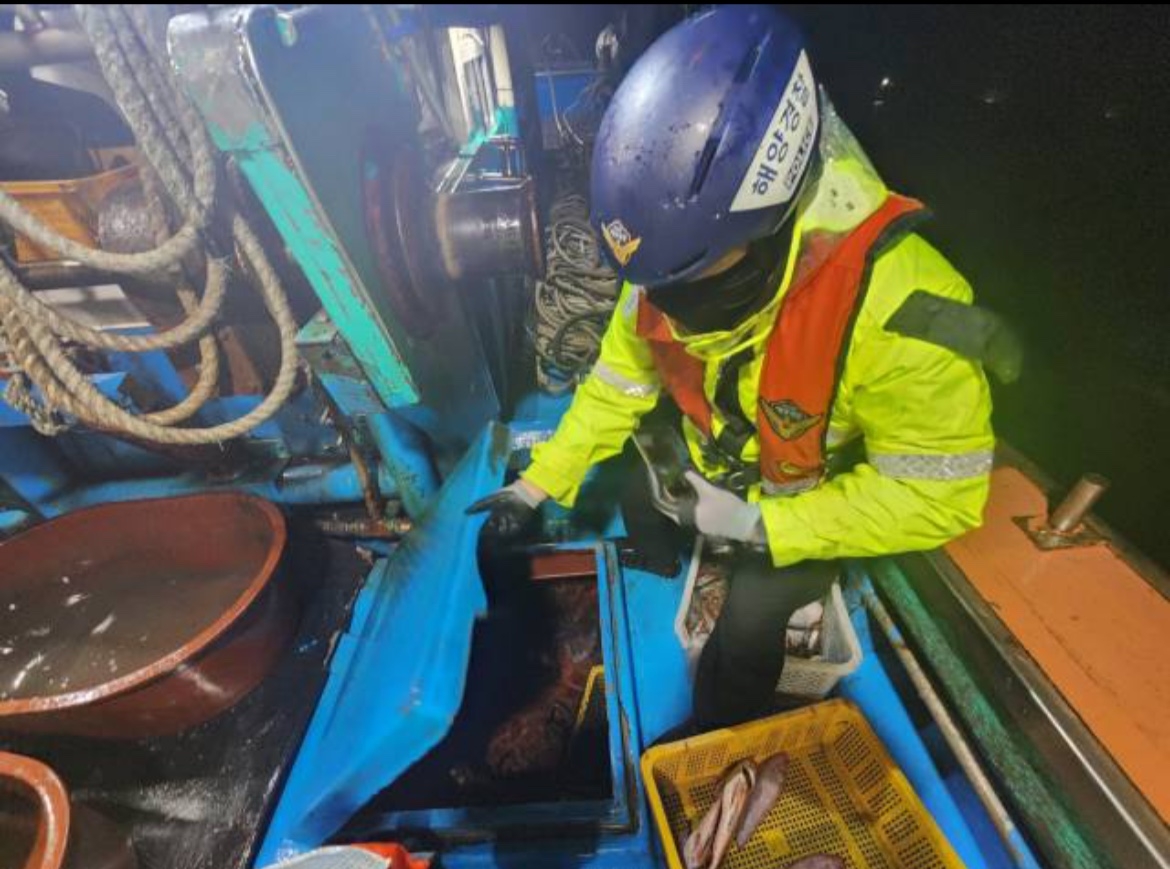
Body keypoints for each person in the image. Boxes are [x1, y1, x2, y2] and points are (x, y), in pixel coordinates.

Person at [470, 5, 995, 729]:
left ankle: (717, 734)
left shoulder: (908, 307)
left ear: (773, 219)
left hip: (808, 504)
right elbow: (616, 389)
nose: (668, 307)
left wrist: (759, 527)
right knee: (628, 495)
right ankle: (662, 605)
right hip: (718, 467)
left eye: (698, 275)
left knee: (748, 624)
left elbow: (942, 497)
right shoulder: (663, 269)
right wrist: (536, 485)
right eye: (661, 284)